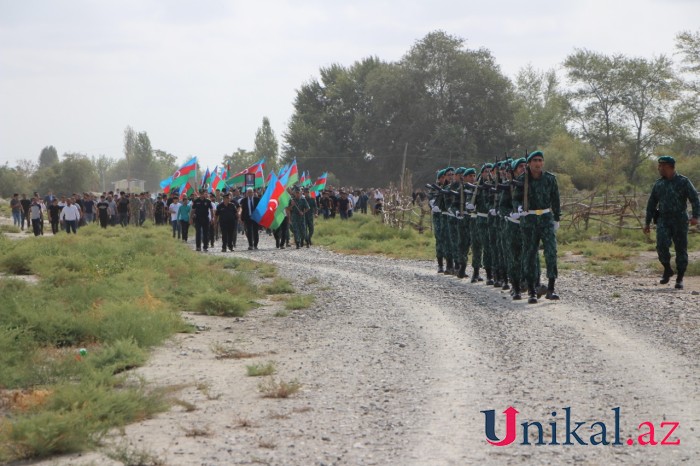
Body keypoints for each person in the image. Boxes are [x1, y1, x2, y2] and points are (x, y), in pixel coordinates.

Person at [643, 155, 700, 290]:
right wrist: (647, 223)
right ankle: (667, 269)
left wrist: (695, 216)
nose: (659, 168)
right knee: (661, 245)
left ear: (669, 167)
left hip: (680, 219)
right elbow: (651, 204)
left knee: (681, 248)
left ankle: (680, 278)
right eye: (659, 166)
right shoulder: (659, 184)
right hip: (663, 219)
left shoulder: (683, 182)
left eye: (661, 166)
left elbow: (695, 199)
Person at [513, 151, 561, 304]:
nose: (538, 163)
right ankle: (532, 291)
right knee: (530, 255)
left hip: (546, 218)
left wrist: (557, 218)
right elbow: (515, 199)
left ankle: (551, 289)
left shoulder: (550, 179)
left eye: (540, 160)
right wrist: (519, 208)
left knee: (551, 252)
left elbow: (556, 199)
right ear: (529, 163)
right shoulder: (522, 180)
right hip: (529, 220)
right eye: (534, 160)